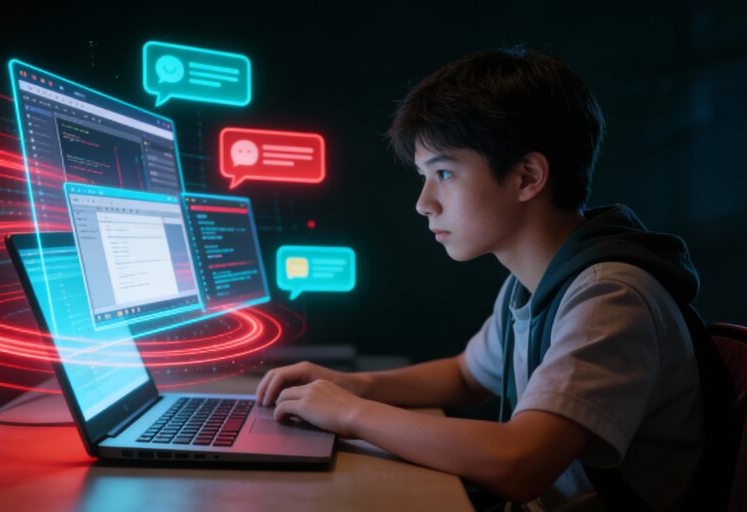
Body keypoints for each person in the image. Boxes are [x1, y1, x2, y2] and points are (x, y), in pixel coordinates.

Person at [256, 47, 708, 510]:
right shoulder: (532, 281)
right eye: (423, 176)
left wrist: (349, 413)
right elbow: (466, 375)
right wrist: (348, 385)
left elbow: (521, 462)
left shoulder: (608, 295)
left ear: (527, 177)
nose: (424, 202)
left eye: (444, 173)